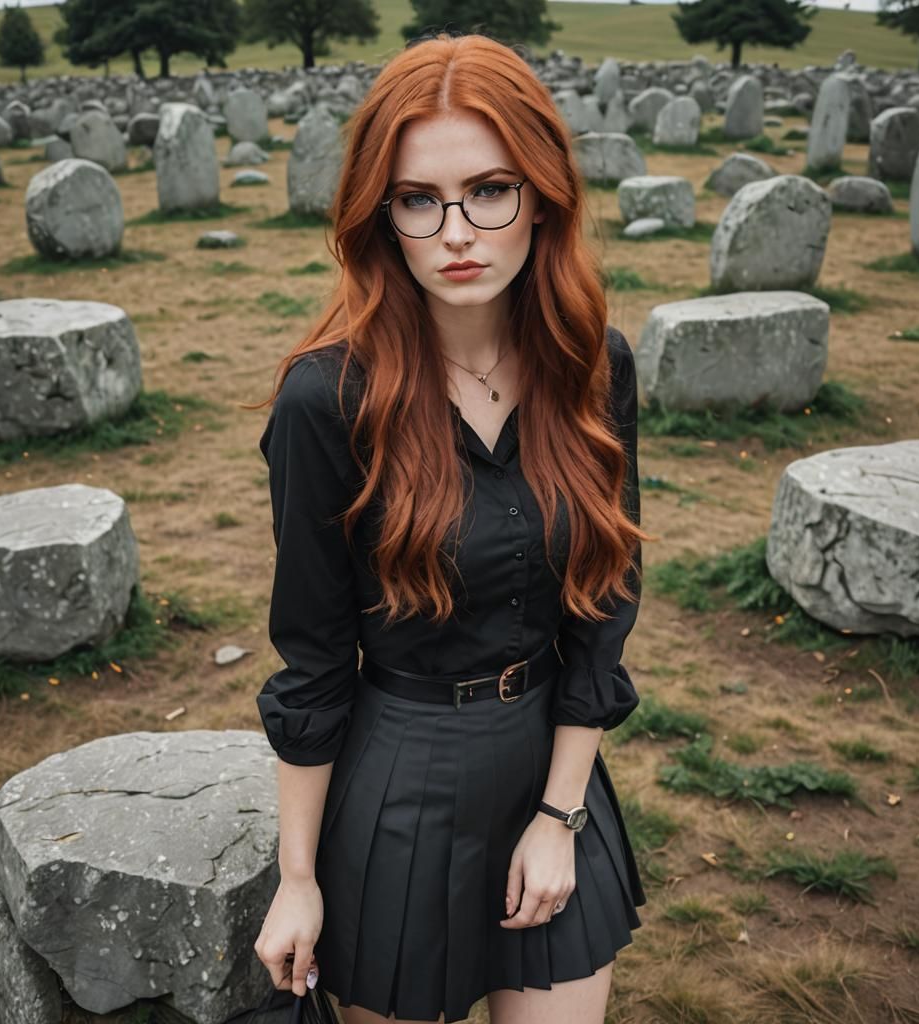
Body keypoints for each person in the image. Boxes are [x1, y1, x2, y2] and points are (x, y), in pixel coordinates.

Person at [250, 30, 653, 1024]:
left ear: (543, 193)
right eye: (419, 200)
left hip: (548, 766)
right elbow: (311, 656)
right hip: (400, 780)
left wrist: (559, 814)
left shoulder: (593, 365)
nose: (456, 231)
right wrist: (297, 876)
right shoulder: (322, 400)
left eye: (489, 189)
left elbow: (602, 602)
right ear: (380, 215)